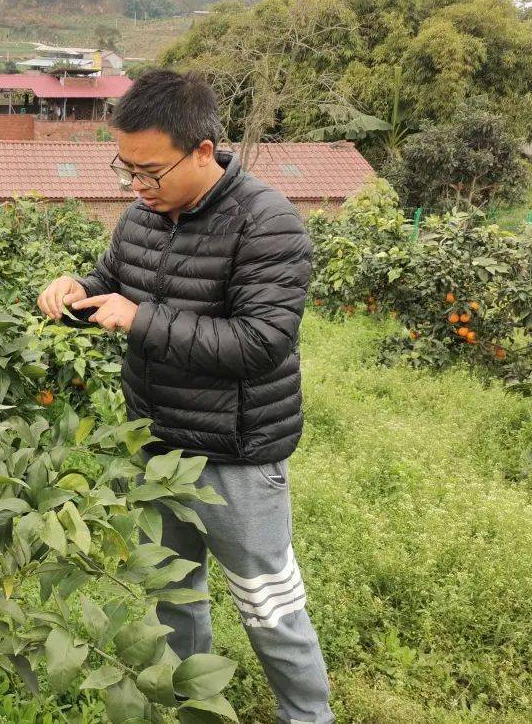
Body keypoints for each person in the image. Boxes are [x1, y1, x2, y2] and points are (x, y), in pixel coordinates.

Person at [37, 70, 334, 724]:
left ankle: (308, 717)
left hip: (237, 454)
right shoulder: (142, 216)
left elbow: (262, 342)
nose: (137, 187)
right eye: (127, 171)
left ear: (204, 150)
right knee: (175, 596)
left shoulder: (267, 223)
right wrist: (74, 288)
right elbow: (114, 280)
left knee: (268, 604)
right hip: (159, 445)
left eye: (150, 172)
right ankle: (197, 705)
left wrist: (139, 320)